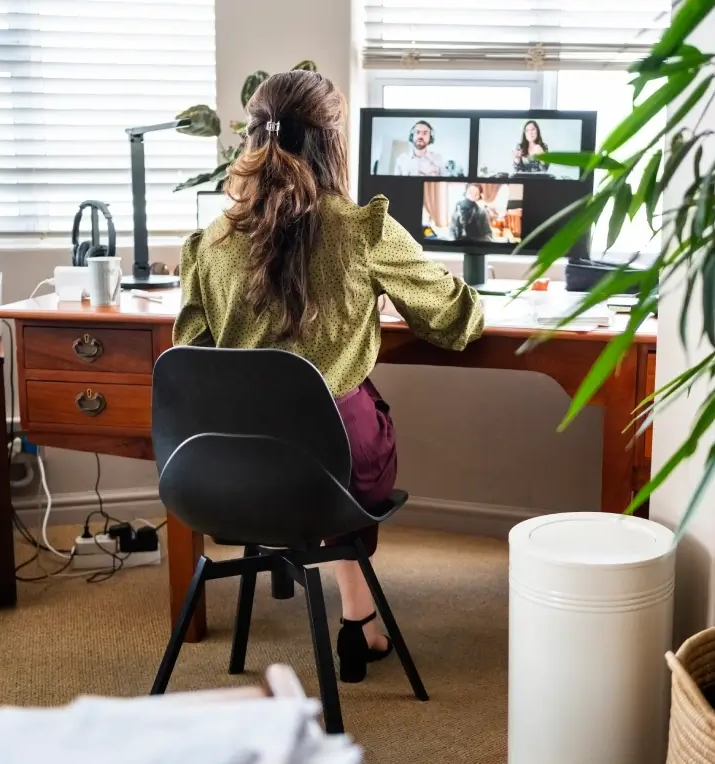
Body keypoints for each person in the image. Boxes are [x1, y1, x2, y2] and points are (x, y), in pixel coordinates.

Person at [174, 70, 484, 684]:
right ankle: (357, 624)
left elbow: (192, 360)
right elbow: (453, 323)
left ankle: (360, 616)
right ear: (331, 143)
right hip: (336, 471)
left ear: (251, 141)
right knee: (343, 416)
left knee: (304, 428)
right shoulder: (362, 229)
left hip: (235, 473)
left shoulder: (208, 244)